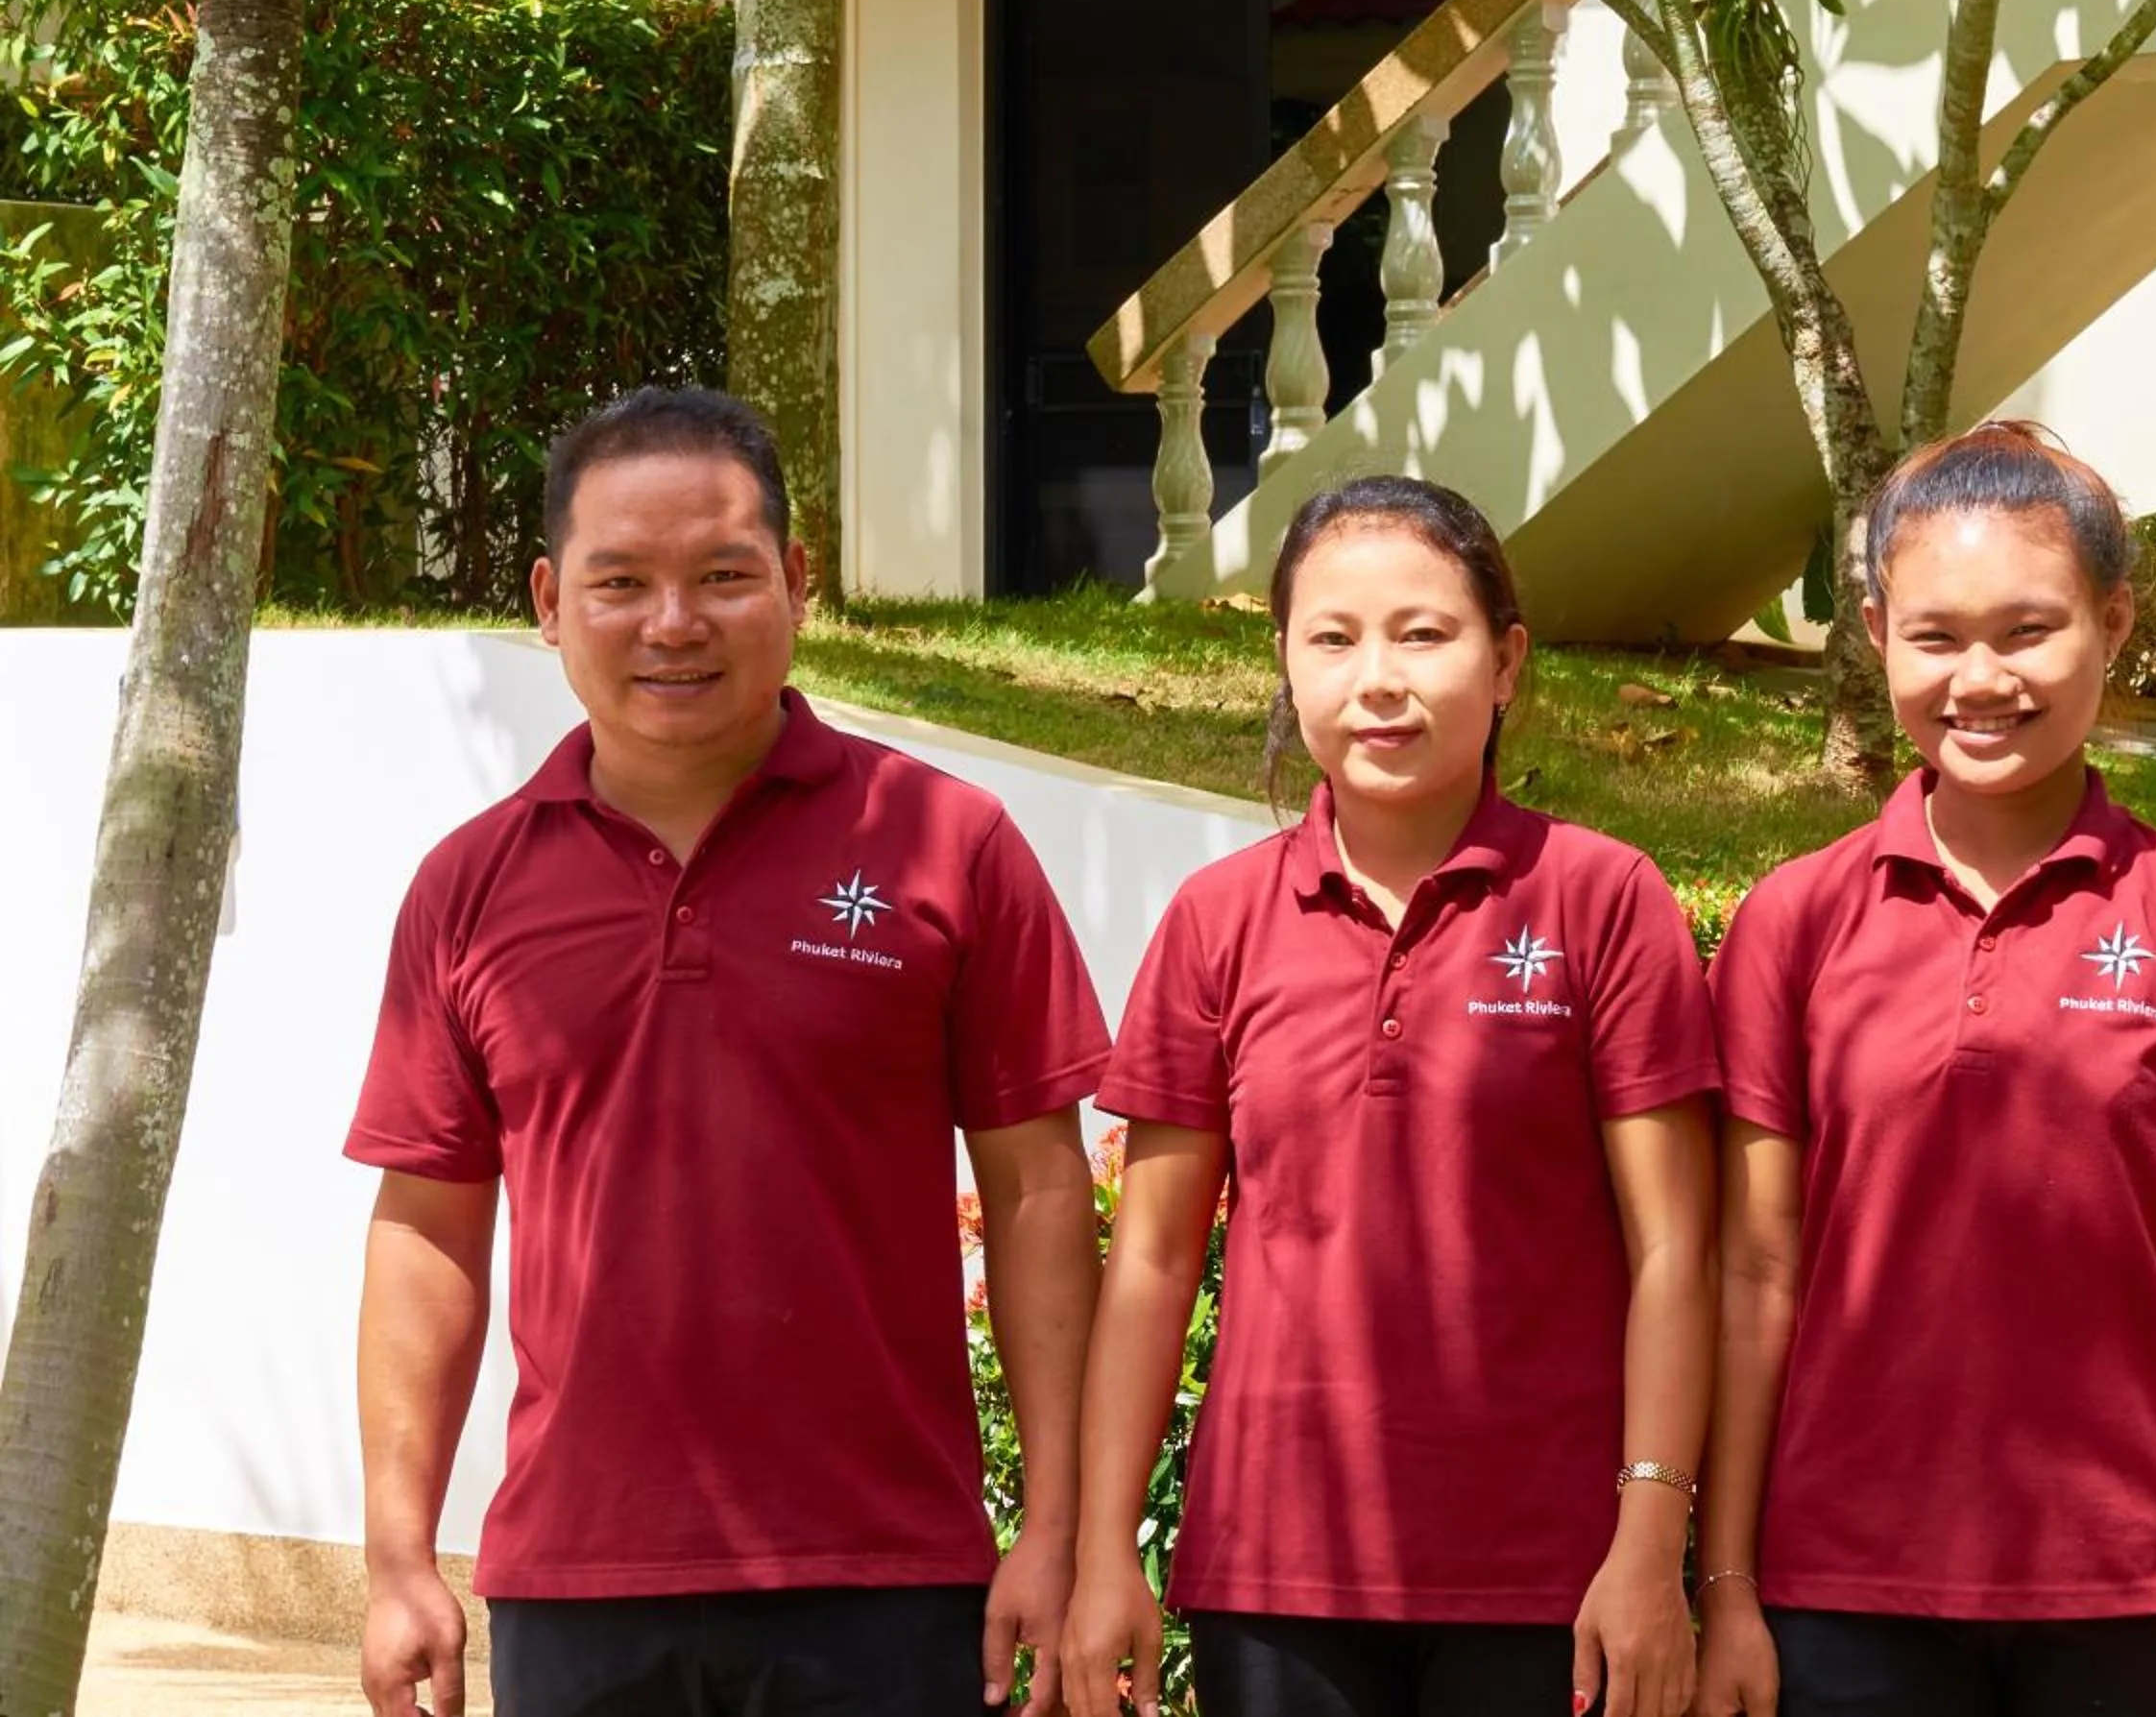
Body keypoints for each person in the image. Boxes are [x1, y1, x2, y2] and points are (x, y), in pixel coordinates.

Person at [350, 386, 1108, 1717]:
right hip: (576, 1588)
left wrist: (1056, 1525)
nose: (673, 622)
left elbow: (1044, 1193)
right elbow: (428, 1227)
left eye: (723, 574)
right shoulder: (468, 887)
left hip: (886, 1584)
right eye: (621, 581)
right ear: (547, 598)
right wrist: (399, 1554)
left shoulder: (948, 844)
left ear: (797, 581)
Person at [1691, 423, 2156, 1717]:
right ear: (1875, 633)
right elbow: (1753, 1274)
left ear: (2112, 624)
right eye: (1935, 636)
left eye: (2029, 630)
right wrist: (1725, 1587)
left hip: (2132, 1594)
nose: (1979, 677)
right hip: (1838, 1596)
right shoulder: (1793, 923)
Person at [1062, 476, 1719, 1717]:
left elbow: (1676, 1246)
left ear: (1508, 660)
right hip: (1274, 1576)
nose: (1379, 677)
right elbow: (1149, 1261)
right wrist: (1104, 1550)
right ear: (1285, 662)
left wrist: (1649, 1536)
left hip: (1547, 1579)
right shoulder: (1220, 921)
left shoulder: (1602, 899)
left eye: (1425, 632)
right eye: (1333, 636)